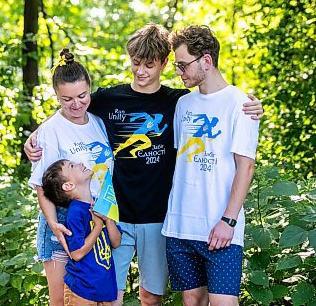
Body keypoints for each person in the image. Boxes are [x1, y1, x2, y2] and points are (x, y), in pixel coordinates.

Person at [24, 23, 264, 306]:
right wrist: (36, 134)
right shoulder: (109, 98)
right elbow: (72, 108)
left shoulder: (180, 102)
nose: (140, 71)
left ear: (164, 63)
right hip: (113, 215)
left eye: (149, 65)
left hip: (158, 216)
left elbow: (215, 104)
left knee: (151, 297)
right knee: (109, 295)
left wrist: (254, 107)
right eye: (135, 63)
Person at [161, 25, 259, 306]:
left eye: (182, 66)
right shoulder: (183, 104)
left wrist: (228, 221)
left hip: (220, 227)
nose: (179, 73)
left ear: (206, 60)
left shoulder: (241, 104)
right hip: (181, 225)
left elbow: (246, 168)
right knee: (192, 301)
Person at [27, 49, 113, 306]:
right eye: (66, 99)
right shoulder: (51, 130)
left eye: (82, 96)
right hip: (63, 222)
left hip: (95, 218)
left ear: (90, 89)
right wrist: (54, 224)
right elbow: (42, 186)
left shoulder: (98, 123)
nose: (76, 104)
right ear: (56, 96)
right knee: (62, 301)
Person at [42, 159, 121, 306]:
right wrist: (98, 227)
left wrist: (108, 221)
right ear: (69, 185)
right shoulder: (75, 212)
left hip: (105, 290)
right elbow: (76, 254)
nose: (80, 163)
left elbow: (116, 242)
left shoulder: (100, 205)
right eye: (72, 166)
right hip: (82, 291)